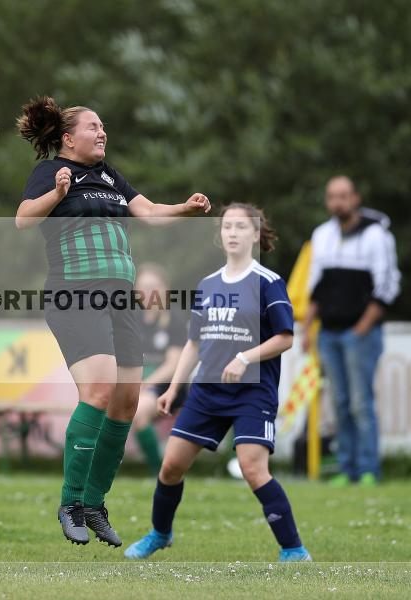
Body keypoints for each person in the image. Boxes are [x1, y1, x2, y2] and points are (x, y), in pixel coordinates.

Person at [16, 96, 210, 546]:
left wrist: (184, 208)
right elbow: (24, 220)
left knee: (125, 403)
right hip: (75, 293)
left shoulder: (109, 175)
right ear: (68, 138)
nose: (103, 133)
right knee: (99, 392)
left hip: (121, 300)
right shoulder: (51, 173)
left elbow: (147, 212)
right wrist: (58, 194)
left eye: (104, 128)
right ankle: (69, 502)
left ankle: (94, 503)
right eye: (93, 127)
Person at [124, 203, 311, 562]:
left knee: (253, 469)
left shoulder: (268, 283)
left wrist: (245, 358)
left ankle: (293, 549)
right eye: (228, 227)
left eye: (242, 227)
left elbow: (286, 337)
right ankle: (160, 534)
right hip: (208, 391)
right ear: (220, 234)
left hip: (253, 391)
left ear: (256, 234)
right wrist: (175, 388)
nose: (234, 233)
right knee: (171, 466)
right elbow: (194, 343)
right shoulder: (208, 285)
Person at [302, 176, 400, 486]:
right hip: (328, 333)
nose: (338, 202)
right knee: (341, 403)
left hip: (360, 334)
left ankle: (369, 470)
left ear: (355, 198)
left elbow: (387, 285)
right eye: (332, 196)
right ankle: (347, 469)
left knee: (361, 403)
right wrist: (307, 329)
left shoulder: (377, 236)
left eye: (343, 196)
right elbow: (315, 287)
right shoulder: (321, 235)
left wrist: (362, 327)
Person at [131, 263, 188, 474]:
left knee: (138, 413)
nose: (147, 292)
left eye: (152, 286)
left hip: (167, 387)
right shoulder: (131, 317)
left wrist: (144, 384)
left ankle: (159, 473)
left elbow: (173, 365)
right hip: (137, 384)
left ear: (165, 289)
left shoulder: (174, 318)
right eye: (143, 287)